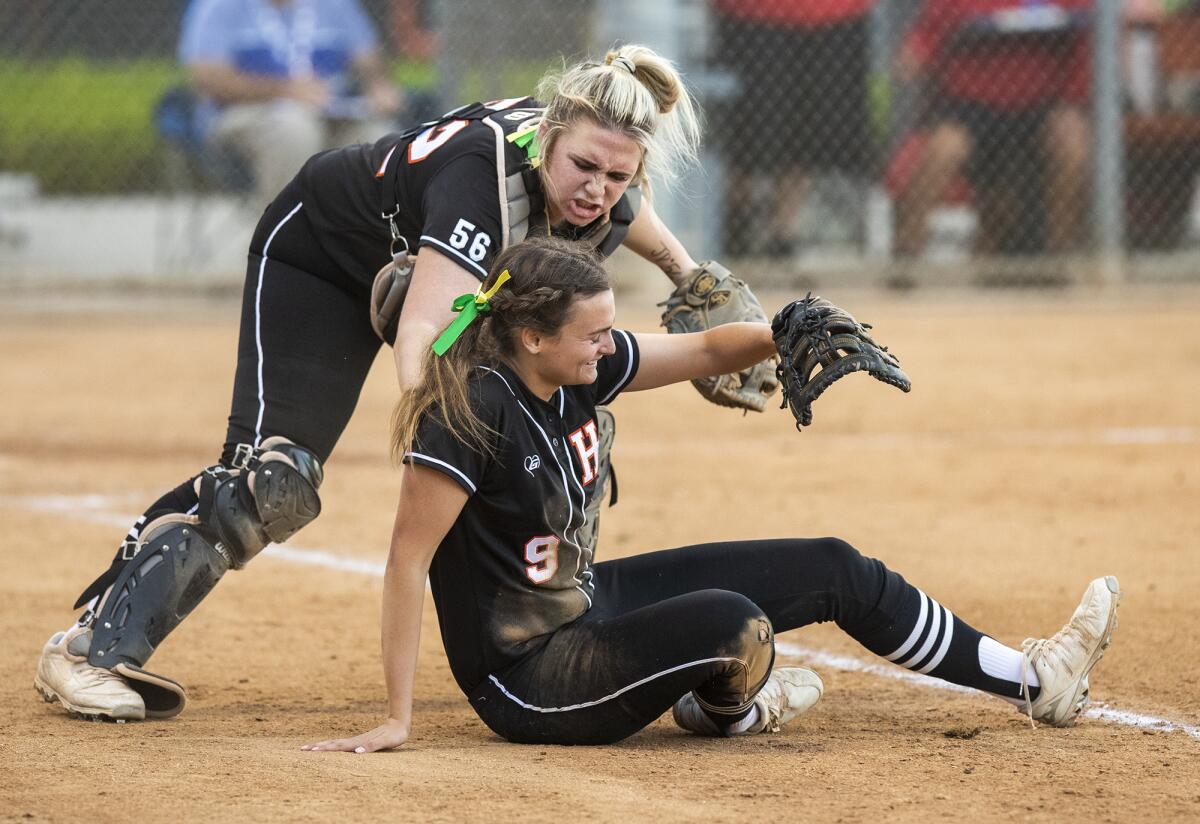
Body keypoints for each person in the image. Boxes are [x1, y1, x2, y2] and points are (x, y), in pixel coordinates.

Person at [33, 46, 776, 722]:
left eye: (618, 177)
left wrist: (690, 275)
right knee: (275, 482)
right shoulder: (477, 184)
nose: (597, 190)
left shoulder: (593, 160)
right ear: (546, 136)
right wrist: (454, 436)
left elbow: (621, 202)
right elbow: (421, 334)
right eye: (584, 167)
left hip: (412, 274)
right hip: (319, 262)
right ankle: (89, 648)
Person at [299, 237, 1122, 751]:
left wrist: (782, 326)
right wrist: (399, 718)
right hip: (530, 675)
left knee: (833, 565)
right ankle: (728, 711)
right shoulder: (468, 415)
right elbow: (407, 563)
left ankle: (1033, 680)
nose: (607, 346)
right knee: (733, 622)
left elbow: (697, 353)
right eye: (591, 334)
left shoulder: (573, 367)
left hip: (585, 602)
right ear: (532, 338)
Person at [891, 0, 1092, 268]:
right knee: (945, 148)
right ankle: (905, 255)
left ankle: (1058, 258)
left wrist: (1072, 96)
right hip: (968, 103)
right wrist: (915, 62)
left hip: (1039, 103)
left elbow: (1086, 37)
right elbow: (915, 52)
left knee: (1072, 138)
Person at [178, 0, 404, 205]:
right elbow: (208, 77)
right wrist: (286, 90)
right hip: (246, 113)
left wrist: (378, 87)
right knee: (294, 129)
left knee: (381, 139)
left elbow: (368, 59)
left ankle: (375, 242)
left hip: (330, 113)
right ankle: (284, 242)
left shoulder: (335, 4)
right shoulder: (219, 7)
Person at [710, 0, 874, 259]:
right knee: (751, 122)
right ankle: (738, 219)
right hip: (753, 14)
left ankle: (783, 232)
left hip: (833, 14)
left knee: (806, 123)